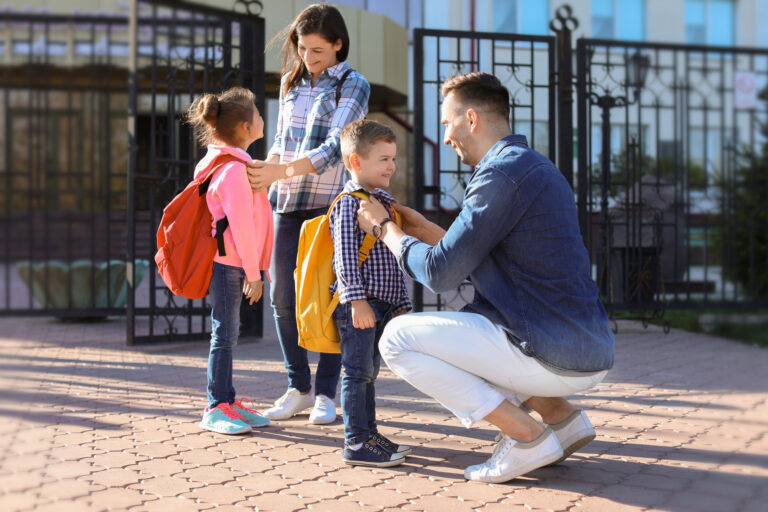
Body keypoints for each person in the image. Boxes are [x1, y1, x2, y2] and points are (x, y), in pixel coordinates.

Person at [357, 72, 615, 482]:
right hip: (586, 346)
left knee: (397, 339)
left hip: (551, 350)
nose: (445, 138)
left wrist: (383, 230)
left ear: (471, 119)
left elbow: (441, 274)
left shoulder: (500, 176)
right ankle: (562, 418)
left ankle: (527, 436)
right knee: (467, 334)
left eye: (447, 124)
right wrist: (421, 228)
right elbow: (473, 259)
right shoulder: (534, 167)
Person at [247, 3, 370, 425]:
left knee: (328, 298)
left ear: (338, 45)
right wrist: (268, 174)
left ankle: (326, 394)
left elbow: (337, 146)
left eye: (317, 50)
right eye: (302, 48)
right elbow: (282, 137)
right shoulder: (289, 82)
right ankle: (297, 387)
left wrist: (283, 169)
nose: (308, 58)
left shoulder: (354, 84)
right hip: (286, 202)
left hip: (329, 203)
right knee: (283, 296)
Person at [187, 87, 274, 435]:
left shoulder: (223, 162)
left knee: (228, 332)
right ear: (244, 126)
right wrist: (253, 273)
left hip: (229, 261)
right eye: (258, 113)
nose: (262, 118)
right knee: (224, 333)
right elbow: (241, 226)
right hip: (230, 263)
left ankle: (226, 399)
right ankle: (215, 406)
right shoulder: (233, 171)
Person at [330, 120, 412, 466]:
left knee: (369, 373)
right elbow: (345, 256)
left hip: (378, 306)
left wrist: (401, 304)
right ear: (356, 162)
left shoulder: (382, 202)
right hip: (359, 306)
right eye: (383, 159)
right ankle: (356, 442)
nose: (391, 166)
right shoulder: (350, 204)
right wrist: (357, 300)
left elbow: (394, 259)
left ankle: (370, 434)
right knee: (356, 373)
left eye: (393, 158)